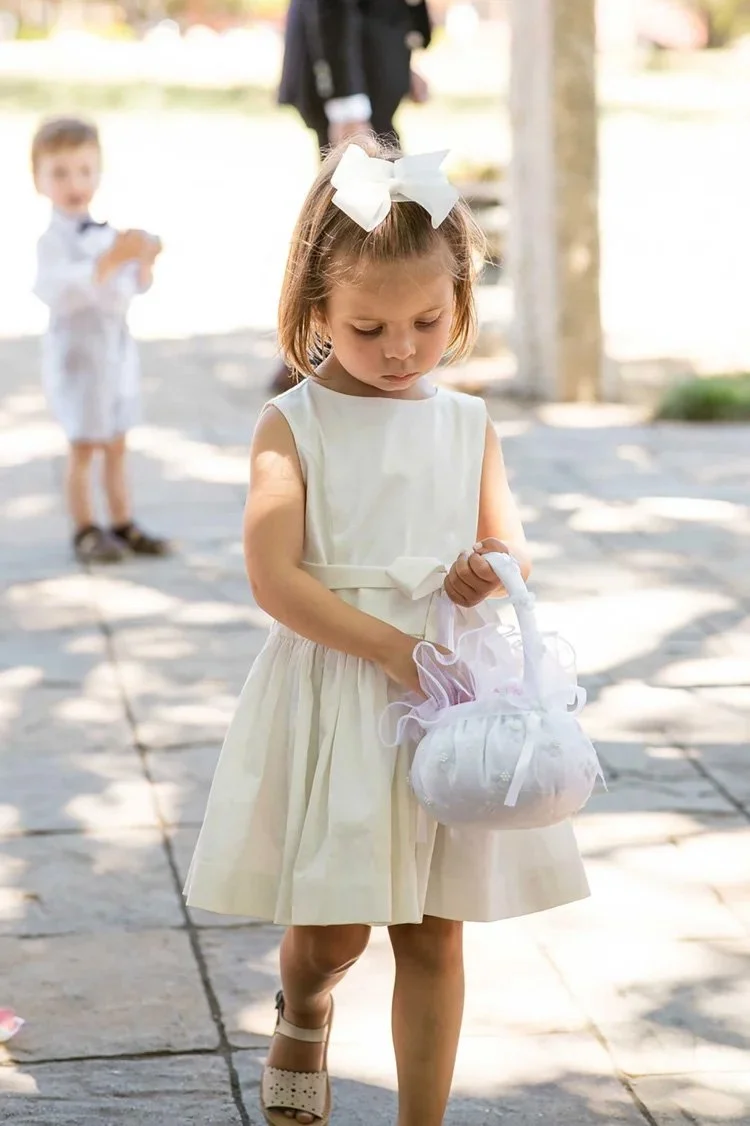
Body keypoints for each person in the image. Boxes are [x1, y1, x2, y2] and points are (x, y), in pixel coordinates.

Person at [184, 138, 589, 1126]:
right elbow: (274, 577)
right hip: (345, 688)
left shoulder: (466, 424)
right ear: (316, 310)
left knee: (436, 932)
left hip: (448, 701)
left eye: (427, 321)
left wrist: (486, 569)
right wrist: (392, 648)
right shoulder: (295, 425)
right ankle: (307, 1002)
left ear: (461, 304)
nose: (403, 347)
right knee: (332, 933)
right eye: (369, 327)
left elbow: (513, 549)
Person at [269, 0, 431, 392]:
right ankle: (319, 352)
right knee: (350, 223)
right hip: (347, 92)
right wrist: (348, 103)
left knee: (381, 219)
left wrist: (399, 54)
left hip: (369, 66)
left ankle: (347, 349)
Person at [31, 116, 170, 564]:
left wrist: (143, 260)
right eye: (60, 173)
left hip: (114, 354)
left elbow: (130, 287)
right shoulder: (50, 241)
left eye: (85, 170)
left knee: (116, 441)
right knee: (83, 443)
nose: (75, 182)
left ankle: (122, 520)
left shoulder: (107, 232)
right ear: (39, 181)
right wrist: (111, 261)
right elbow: (62, 289)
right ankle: (85, 527)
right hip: (79, 359)